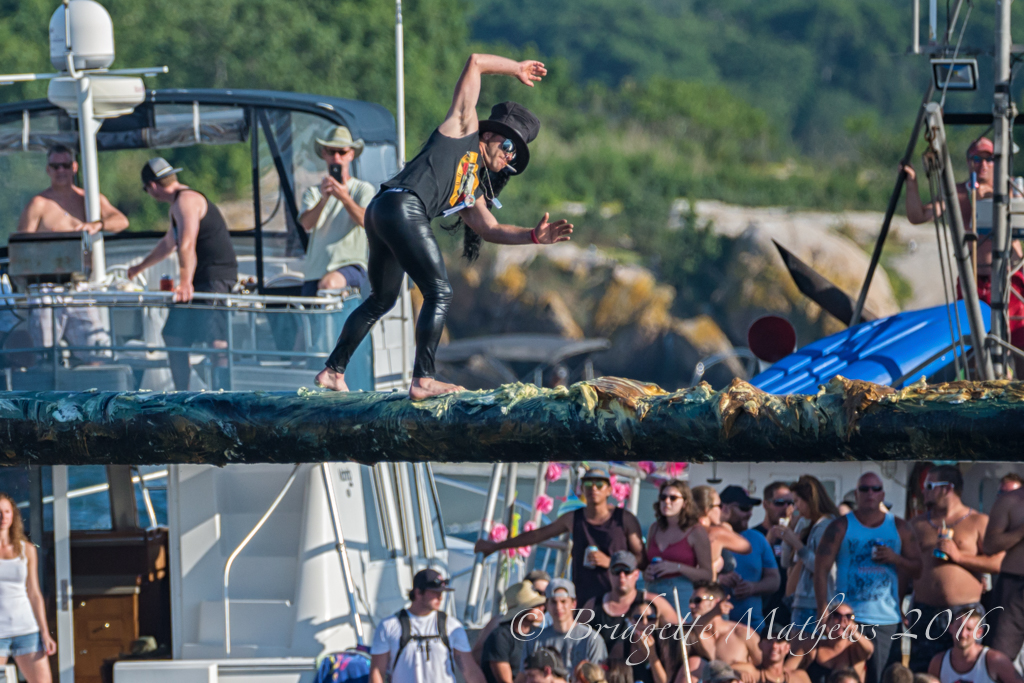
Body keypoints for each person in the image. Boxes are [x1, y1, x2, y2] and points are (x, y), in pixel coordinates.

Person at [314, 53, 573, 399]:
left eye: (515, 156)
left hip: (381, 210)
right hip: (402, 206)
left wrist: (533, 237)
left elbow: (489, 229)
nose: (510, 156)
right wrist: (516, 69)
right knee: (440, 291)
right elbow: (475, 62)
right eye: (509, 145)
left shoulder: (472, 186)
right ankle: (423, 380)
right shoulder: (462, 129)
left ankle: (333, 370)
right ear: (490, 134)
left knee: (381, 299)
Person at [903, 138, 1024, 361]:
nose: (983, 165)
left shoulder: (1013, 191)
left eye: (989, 159)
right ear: (969, 161)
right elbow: (918, 216)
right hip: (973, 280)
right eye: (977, 159)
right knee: (972, 346)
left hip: (1010, 279)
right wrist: (912, 183)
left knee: (1018, 341)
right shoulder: (957, 194)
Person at [128, 158, 239, 390]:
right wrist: (139, 267)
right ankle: (181, 395)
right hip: (199, 278)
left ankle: (225, 395)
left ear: (152, 186)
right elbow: (169, 243)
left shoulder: (187, 201)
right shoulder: (177, 206)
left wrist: (185, 282)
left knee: (216, 340)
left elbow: (186, 244)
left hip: (215, 275)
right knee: (173, 335)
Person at [17, 145, 130, 365]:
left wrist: (97, 225)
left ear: (75, 167)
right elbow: (21, 246)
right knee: (43, 351)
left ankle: (92, 383)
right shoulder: (39, 203)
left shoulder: (88, 199)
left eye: (66, 165)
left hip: (79, 285)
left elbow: (121, 221)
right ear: (48, 169)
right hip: (46, 286)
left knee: (95, 347)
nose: (61, 170)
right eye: (55, 166)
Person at [476, 465, 644, 608]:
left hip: (619, 599)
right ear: (582, 488)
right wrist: (495, 546)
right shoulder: (573, 518)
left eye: (599, 484)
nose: (593, 488)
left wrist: (610, 563)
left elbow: (642, 560)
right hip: (584, 599)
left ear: (609, 490)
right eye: (588, 483)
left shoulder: (625, 519)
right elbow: (537, 535)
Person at [814, 473, 922, 683]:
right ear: (856, 494)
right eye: (864, 489)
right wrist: (822, 609)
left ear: (882, 494)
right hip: (848, 618)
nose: (870, 493)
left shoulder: (899, 527)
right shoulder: (840, 526)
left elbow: (917, 569)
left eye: (875, 489)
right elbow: (820, 568)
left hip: (886, 619)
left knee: (885, 678)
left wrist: (895, 558)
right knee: (845, 678)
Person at [908, 465, 1003, 672]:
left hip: (964, 614)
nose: (923, 491)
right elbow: (905, 567)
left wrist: (959, 557)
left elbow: (998, 563)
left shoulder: (978, 522)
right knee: (921, 673)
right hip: (924, 612)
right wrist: (899, 601)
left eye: (929, 486)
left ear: (947, 488)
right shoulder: (917, 524)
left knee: (964, 672)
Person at [369, 568, 484, 683]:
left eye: (441, 593)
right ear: (418, 593)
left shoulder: (452, 626)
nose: (440, 597)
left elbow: (470, 672)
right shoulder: (389, 626)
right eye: (435, 593)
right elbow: (377, 672)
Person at [299, 126, 376, 295]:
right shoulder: (314, 192)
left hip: (350, 266)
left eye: (342, 152)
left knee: (328, 285)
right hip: (314, 273)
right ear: (324, 154)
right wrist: (324, 200)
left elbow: (367, 221)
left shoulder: (363, 189)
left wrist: (344, 198)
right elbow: (306, 224)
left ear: (351, 155)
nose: (336, 157)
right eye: (331, 151)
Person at [768, 475, 840, 633]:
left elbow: (822, 567)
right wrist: (789, 535)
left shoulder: (825, 526)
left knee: (804, 647)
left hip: (815, 603)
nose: (795, 507)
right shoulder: (810, 525)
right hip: (801, 600)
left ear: (810, 500)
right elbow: (786, 563)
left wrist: (796, 543)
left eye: (797, 501)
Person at [0, 492, 56, 683]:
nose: (3, 516)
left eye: (7, 511)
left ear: (13, 515)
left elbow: (34, 593)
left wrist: (45, 633)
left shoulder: (27, 549)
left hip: (26, 630)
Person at [581, 550, 678, 659]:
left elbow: (682, 634)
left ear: (636, 574)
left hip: (645, 667)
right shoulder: (593, 606)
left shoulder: (654, 602)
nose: (622, 576)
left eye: (627, 571)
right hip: (605, 667)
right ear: (609, 574)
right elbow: (575, 638)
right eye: (616, 571)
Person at [644, 480, 713, 612]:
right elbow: (647, 563)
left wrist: (677, 567)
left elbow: (707, 574)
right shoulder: (655, 528)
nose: (667, 501)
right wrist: (646, 573)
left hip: (680, 593)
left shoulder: (696, 531)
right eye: (663, 497)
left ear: (685, 503)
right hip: (653, 590)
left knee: (679, 626)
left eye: (673, 498)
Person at [718, 486, 780, 628]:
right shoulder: (708, 537)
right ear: (724, 508)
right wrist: (719, 579)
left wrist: (753, 587)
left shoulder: (758, 538)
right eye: (744, 508)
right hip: (717, 626)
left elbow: (774, 580)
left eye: (751, 509)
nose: (749, 514)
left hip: (753, 626)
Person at [524, 579, 608, 675]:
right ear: (547, 605)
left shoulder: (592, 640)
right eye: (553, 602)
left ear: (573, 604)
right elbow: (524, 676)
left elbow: (599, 677)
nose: (558, 607)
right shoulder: (534, 639)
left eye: (563, 601)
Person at [982, 478, 1024, 658]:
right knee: (998, 657)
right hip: (1013, 587)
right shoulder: (1009, 501)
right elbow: (989, 545)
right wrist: (1020, 532)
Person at [472, 570, 552, 664]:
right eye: (538, 592)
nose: (543, 599)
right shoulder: (500, 624)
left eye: (546, 594)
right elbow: (477, 657)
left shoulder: (551, 623)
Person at [929, 608, 1024, 683]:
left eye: (969, 629)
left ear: (979, 632)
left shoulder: (995, 661)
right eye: (959, 627)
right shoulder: (938, 663)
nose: (963, 634)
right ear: (951, 628)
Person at [786, 603, 873, 683]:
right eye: (837, 615)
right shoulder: (812, 646)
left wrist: (854, 632)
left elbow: (869, 650)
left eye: (849, 617)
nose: (843, 620)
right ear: (828, 621)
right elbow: (786, 671)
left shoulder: (855, 650)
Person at [480, 581, 547, 683]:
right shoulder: (500, 637)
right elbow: (505, 681)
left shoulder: (538, 633)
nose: (543, 608)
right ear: (521, 611)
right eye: (536, 605)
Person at [685, 580, 761, 668]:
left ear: (716, 602)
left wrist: (748, 670)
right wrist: (713, 612)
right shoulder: (690, 635)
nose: (691, 606)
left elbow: (766, 669)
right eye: (691, 601)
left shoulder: (742, 633)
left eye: (697, 600)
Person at [753, 482, 795, 627]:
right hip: (764, 608)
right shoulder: (755, 535)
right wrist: (768, 542)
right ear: (766, 504)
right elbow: (751, 566)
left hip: (789, 609)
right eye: (779, 503)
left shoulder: (797, 535)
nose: (786, 508)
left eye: (791, 503)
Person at [692, 485, 752, 575]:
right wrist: (724, 527)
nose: (722, 510)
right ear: (707, 510)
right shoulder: (716, 533)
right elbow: (746, 547)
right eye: (720, 506)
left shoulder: (684, 528)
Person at [732, 625, 810, 683]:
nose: (774, 646)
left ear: (787, 647)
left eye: (779, 641)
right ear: (760, 645)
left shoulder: (798, 677)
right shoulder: (753, 672)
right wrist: (736, 674)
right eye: (769, 640)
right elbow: (726, 668)